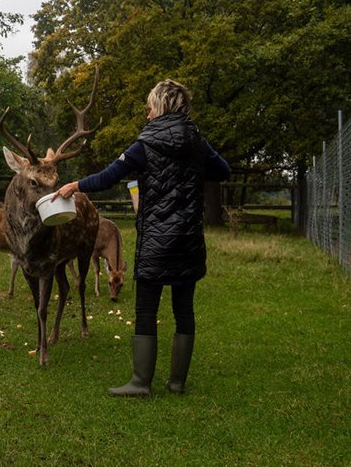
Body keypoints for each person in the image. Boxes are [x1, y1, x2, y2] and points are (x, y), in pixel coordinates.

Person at [54, 79, 229, 396]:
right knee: (184, 310)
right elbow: (223, 170)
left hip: (157, 241)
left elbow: (108, 177)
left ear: (160, 107)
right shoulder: (197, 142)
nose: (146, 114)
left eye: (149, 107)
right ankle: (177, 383)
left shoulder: (144, 145)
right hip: (188, 239)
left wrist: (74, 185)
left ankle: (140, 383)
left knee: (146, 310)